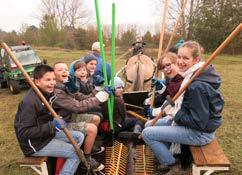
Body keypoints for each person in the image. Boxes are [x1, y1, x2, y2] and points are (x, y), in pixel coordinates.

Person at [142, 41, 224, 174]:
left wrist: (174, 112)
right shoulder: (191, 76)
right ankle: (169, 155)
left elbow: (198, 122)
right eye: (179, 57)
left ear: (196, 59)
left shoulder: (196, 86)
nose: (180, 61)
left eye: (185, 58)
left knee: (147, 133)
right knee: (148, 124)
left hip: (200, 133)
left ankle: (174, 166)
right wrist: (172, 110)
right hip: (190, 124)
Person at [14, 65, 85, 175]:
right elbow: (24, 132)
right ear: (37, 82)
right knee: (76, 153)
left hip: (47, 135)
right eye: (48, 80)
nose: (52, 83)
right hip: (35, 144)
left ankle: (64, 164)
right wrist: (52, 126)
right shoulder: (30, 102)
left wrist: (72, 88)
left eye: (53, 79)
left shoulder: (46, 93)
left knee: (79, 136)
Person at [52, 62, 113, 171]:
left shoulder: (67, 86)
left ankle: (87, 146)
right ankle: (87, 158)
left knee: (96, 118)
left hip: (69, 116)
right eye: (60, 70)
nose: (64, 71)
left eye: (65, 69)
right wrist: (100, 98)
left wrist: (98, 89)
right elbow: (78, 107)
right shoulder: (57, 91)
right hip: (63, 123)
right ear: (53, 74)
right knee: (92, 129)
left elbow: (84, 98)